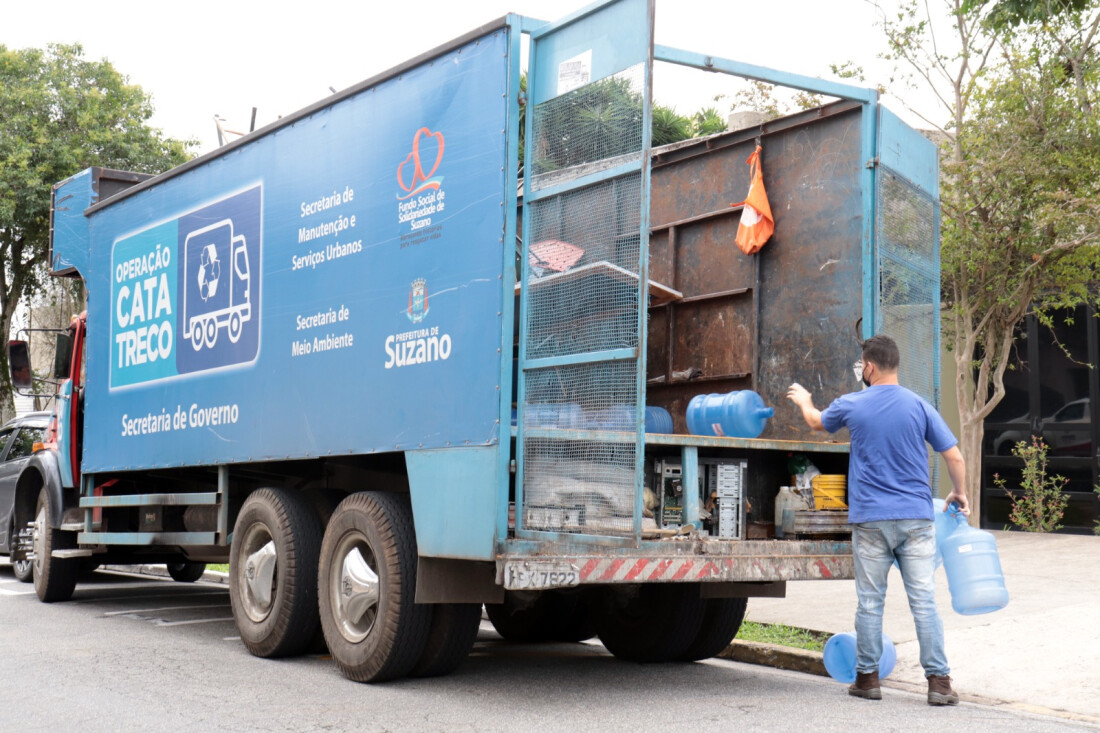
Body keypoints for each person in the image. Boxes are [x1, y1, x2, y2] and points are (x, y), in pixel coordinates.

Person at [787, 334, 969, 706]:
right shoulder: (920, 406)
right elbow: (954, 457)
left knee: (870, 601)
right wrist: (959, 493)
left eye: (861, 365)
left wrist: (805, 400)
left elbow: (815, 422)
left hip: (871, 521)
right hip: (917, 519)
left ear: (868, 366)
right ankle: (939, 683)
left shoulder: (852, 404)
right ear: (895, 364)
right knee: (924, 601)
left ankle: (868, 680)